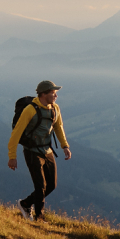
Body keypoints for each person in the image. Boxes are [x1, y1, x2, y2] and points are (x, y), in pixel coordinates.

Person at [7, 79, 72, 219]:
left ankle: (25, 203)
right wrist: (12, 157)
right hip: (32, 152)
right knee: (40, 186)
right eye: (53, 93)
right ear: (43, 94)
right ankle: (39, 218)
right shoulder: (30, 110)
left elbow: (58, 127)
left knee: (51, 185)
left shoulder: (55, 108)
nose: (56, 96)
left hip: (47, 151)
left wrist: (65, 146)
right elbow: (16, 133)